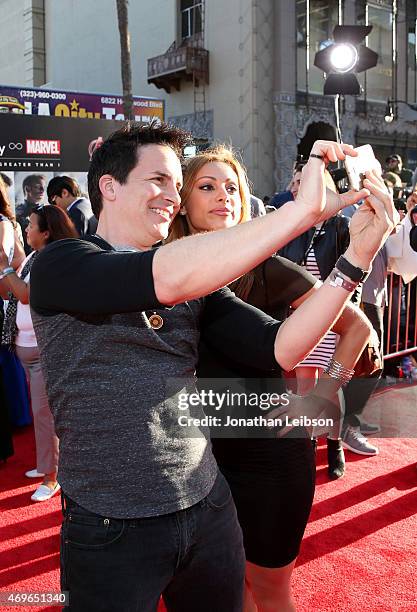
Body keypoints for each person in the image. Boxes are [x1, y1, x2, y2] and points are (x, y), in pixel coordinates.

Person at [29, 121, 396, 612]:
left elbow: (280, 347)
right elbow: (162, 277)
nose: (172, 197)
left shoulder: (191, 276)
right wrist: (302, 213)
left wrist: (356, 258)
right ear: (108, 187)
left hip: (208, 506)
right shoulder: (64, 263)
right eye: (158, 180)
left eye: (176, 186)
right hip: (110, 524)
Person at [168, 145, 373, 611]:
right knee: (225, 587)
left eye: (233, 187)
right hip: (198, 459)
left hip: (269, 458)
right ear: (182, 199)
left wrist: (323, 393)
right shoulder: (168, 268)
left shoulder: (269, 269)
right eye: (207, 186)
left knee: (269, 590)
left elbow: (357, 326)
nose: (224, 196)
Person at [0, 205, 78, 501]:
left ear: (46, 233)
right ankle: (45, 465)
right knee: (39, 413)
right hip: (28, 348)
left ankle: (52, 476)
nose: (27, 229)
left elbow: (25, 294)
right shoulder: (34, 257)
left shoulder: (51, 260)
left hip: (45, 349)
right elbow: (10, 292)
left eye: (31, 225)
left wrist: (6, 267)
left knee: (46, 415)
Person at [16, 174, 47, 254]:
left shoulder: (46, 211)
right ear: (27, 189)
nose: (42, 190)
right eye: (37, 187)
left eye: (44, 187)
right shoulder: (18, 212)